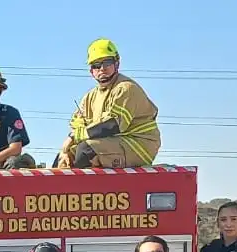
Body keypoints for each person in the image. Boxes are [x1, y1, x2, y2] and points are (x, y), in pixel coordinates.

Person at [56, 39, 160, 169]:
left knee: (86, 150)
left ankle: (85, 183)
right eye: (96, 65)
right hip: (112, 142)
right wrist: (65, 151)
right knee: (64, 157)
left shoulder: (125, 88)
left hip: (137, 145)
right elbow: (77, 124)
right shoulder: (90, 97)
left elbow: (112, 125)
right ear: (91, 71)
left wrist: (73, 137)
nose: (102, 69)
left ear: (117, 64)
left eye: (107, 63)